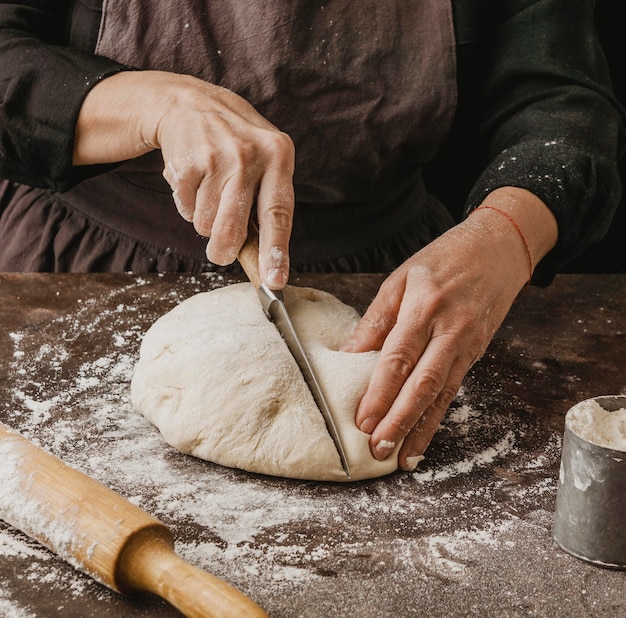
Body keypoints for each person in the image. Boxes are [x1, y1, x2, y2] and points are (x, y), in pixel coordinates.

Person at [1, 0, 623, 471]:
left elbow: (560, 100)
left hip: (398, 284)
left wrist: (509, 231)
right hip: (81, 252)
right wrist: (155, 102)